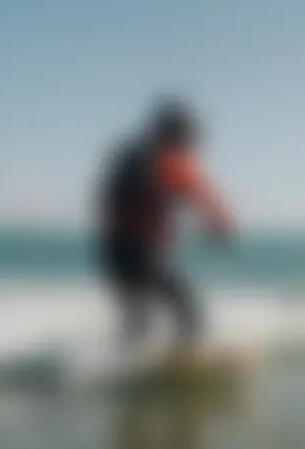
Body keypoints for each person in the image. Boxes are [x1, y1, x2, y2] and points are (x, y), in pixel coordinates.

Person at [95, 98, 235, 359]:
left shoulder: (133, 154)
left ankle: (126, 363)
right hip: (138, 250)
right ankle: (186, 358)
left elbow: (109, 202)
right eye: (187, 135)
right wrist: (218, 224)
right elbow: (199, 194)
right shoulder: (161, 158)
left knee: (138, 316)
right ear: (173, 132)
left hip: (114, 251)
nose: (190, 144)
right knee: (187, 306)